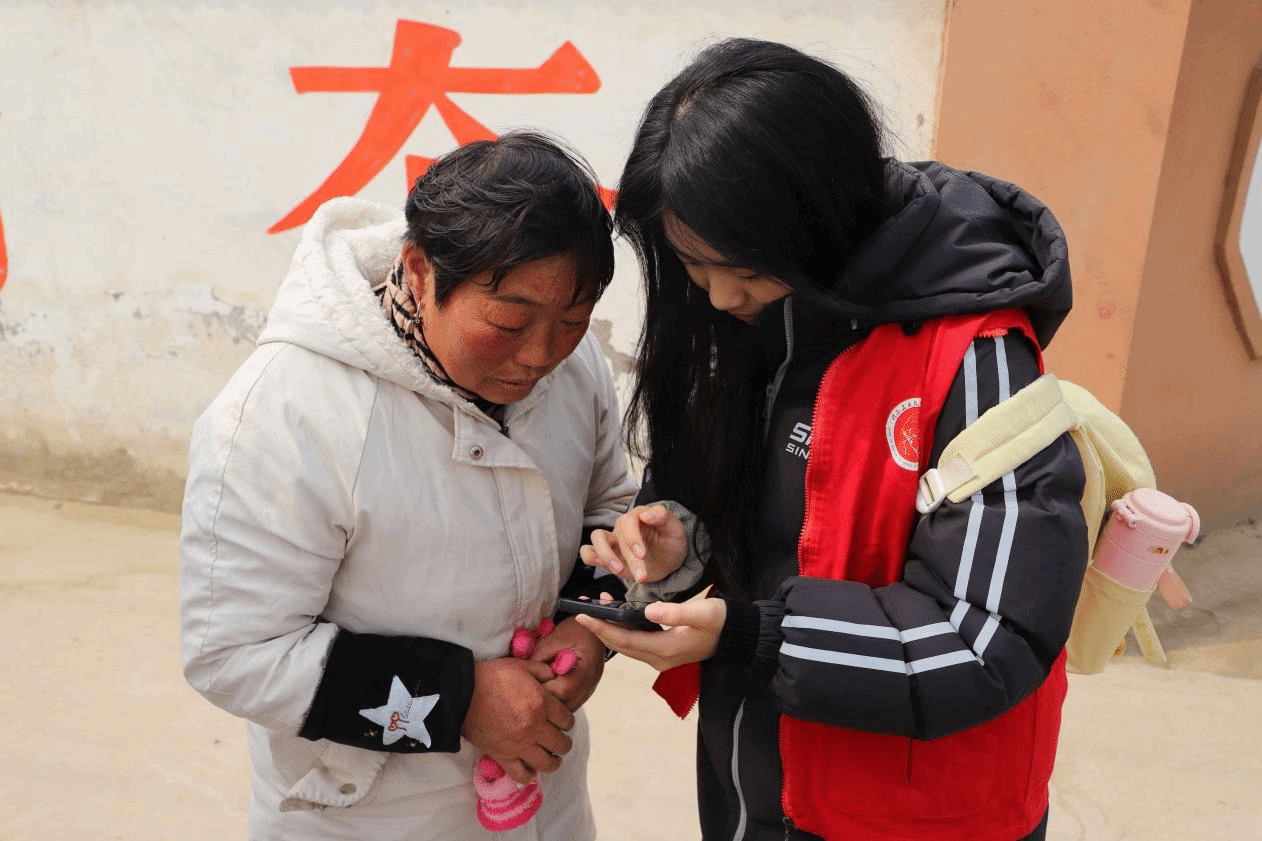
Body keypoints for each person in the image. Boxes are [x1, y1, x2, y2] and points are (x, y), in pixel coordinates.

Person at [576, 39, 1088, 841]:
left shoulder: (978, 358)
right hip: (754, 786)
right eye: (693, 267)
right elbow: (761, 524)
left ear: (814, 214)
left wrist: (755, 634)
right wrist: (681, 541)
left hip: (915, 814)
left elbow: (987, 639)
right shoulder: (751, 322)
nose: (719, 294)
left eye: (741, 267)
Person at [179, 131, 638, 840]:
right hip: (367, 819)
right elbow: (232, 652)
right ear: (420, 271)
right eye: (510, 322)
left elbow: (609, 505)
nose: (540, 355)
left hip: (546, 802)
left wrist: (591, 625)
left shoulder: (574, 372)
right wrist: (458, 699)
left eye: (573, 322)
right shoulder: (285, 414)